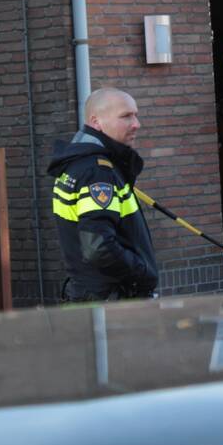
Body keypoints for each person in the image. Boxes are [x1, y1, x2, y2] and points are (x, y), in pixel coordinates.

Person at [48, 88, 159, 302]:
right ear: (96, 122)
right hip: (111, 301)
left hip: (93, 295)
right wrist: (143, 272)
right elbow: (98, 246)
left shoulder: (80, 164)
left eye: (135, 115)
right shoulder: (97, 171)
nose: (136, 124)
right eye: (126, 116)